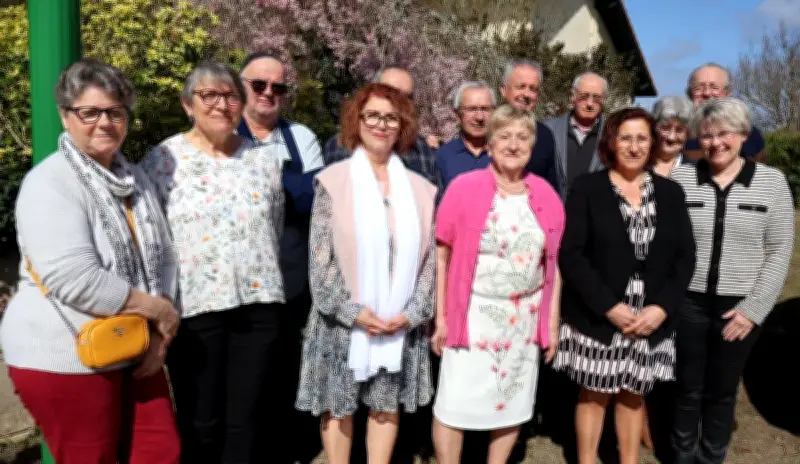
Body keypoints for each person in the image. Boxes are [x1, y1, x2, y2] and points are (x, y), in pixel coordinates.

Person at [0, 59, 181, 463]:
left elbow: (165, 256)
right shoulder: (50, 183)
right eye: (89, 112)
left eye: (115, 112)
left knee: (159, 451)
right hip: (66, 352)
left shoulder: (135, 180)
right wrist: (159, 311)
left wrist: (159, 333)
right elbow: (74, 278)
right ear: (66, 116)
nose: (104, 122)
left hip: (135, 343)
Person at [140, 61, 285, 463]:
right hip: (195, 308)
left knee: (247, 416)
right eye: (210, 95)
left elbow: (271, 226)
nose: (222, 104)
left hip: (259, 305)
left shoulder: (262, 160)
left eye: (231, 96)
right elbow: (152, 239)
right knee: (200, 418)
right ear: (188, 105)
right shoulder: (163, 160)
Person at [295, 83, 437, 464]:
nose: (382, 124)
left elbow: (429, 263)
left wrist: (412, 312)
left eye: (391, 117)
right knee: (338, 406)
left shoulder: (422, 190)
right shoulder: (333, 181)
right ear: (357, 121)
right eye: (372, 115)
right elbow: (319, 259)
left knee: (385, 406)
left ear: (402, 125)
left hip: (398, 323)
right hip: (341, 322)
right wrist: (351, 311)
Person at [553, 107, 696, 464]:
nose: (634, 147)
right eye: (626, 138)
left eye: (642, 139)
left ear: (652, 144)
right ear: (611, 143)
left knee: (634, 394)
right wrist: (609, 307)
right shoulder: (587, 188)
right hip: (599, 312)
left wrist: (660, 308)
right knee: (595, 392)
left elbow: (685, 257)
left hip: (651, 314)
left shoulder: (670, 193)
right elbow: (571, 255)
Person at [430, 104, 565, 464]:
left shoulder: (547, 195)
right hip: (472, 314)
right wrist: (441, 318)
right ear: (489, 144)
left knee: (512, 401)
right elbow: (441, 256)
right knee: (453, 403)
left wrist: (550, 323)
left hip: (522, 318)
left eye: (522, 137)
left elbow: (554, 265)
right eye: (504, 136)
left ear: (532, 147)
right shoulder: (463, 188)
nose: (513, 144)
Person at [670, 98, 795, 464]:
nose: (715, 143)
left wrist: (752, 311)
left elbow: (779, 251)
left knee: (722, 391)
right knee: (686, 388)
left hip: (738, 307)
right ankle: (681, 457)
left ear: (742, 135)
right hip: (688, 303)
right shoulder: (683, 178)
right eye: (706, 136)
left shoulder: (771, 184)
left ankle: (711, 457)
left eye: (724, 133)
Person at [323, 66, 441, 189]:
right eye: (390, 93)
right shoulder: (342, 144)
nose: (399, 102)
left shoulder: (421, 150)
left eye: (407, 97)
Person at [543, 72, 608, 200]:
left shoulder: (612, 135)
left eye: (596, 98)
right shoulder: (548, 129)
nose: (590, 103)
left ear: (603, 100)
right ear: (572, 97)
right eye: (584, 96)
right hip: (552, 211)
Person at [682, 63, 766, 161]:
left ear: (728, 93)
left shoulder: (748, 134)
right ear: (690, 94)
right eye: (698, 88)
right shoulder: (676, 133)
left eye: (714, 87)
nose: (707, 93)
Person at [498, 58, 558, 190]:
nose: (526, 94)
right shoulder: (488, 129)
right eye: (521, 87)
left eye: (533, 89)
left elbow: (551, 187)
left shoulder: (544, 135)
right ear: (503, 90)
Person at [434, 81, 496, 189]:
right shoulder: (443, 156)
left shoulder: (504, 154)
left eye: (485, 109)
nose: (479, 117)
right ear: (457, 115)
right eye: (471, 109)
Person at [652, 96, 695, 177]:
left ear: (688, 134)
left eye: (679, 130)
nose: (671, 137)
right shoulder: (638, 164)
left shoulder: (697, 171)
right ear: (654, 128)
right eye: (665, 128)